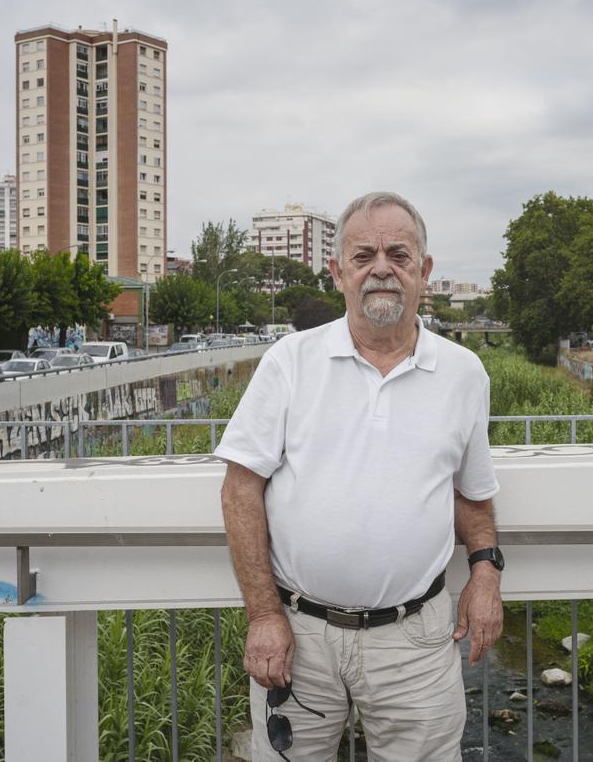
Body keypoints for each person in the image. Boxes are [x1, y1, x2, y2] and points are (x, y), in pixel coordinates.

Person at [215, 191, 503, 760]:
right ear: (338, 273)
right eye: (363, 255)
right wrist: (264, 614)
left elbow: (470, 494)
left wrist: (487, 572)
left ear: (424, 272)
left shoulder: (464, 372)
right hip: (299, 636)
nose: (381, 269)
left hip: (416, 642)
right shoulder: (290, 361)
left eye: (398, 254)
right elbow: (240, 489)